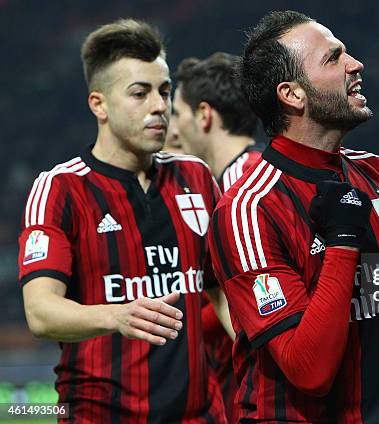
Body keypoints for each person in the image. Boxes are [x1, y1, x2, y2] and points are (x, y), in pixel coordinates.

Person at [208, 10, 379, 422]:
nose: (356, 64)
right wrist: (343, 243)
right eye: (333, 59)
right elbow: (308, 370)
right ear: (292, 94)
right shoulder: (250, 209)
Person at [18, 19, 229, 423]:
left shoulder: (196, 177)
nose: (159, 106)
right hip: (100, 415)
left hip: (200, 415)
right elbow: (41, 313)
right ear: (99, 104)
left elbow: (221, 288)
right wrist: (115, 315)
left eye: (165, 92)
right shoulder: (61, 189)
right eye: (140, 93)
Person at [172, 52, 261, 421]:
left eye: (177, 113)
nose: (172, 128)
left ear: (204, 115)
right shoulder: (254, 174)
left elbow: (258, 314)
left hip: (263, 401)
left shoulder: (239, 191)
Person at [173, 53, 263, 192]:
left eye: (177, 114)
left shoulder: (240, 184)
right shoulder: (263, 169)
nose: (174, 130)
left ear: (204, 114)